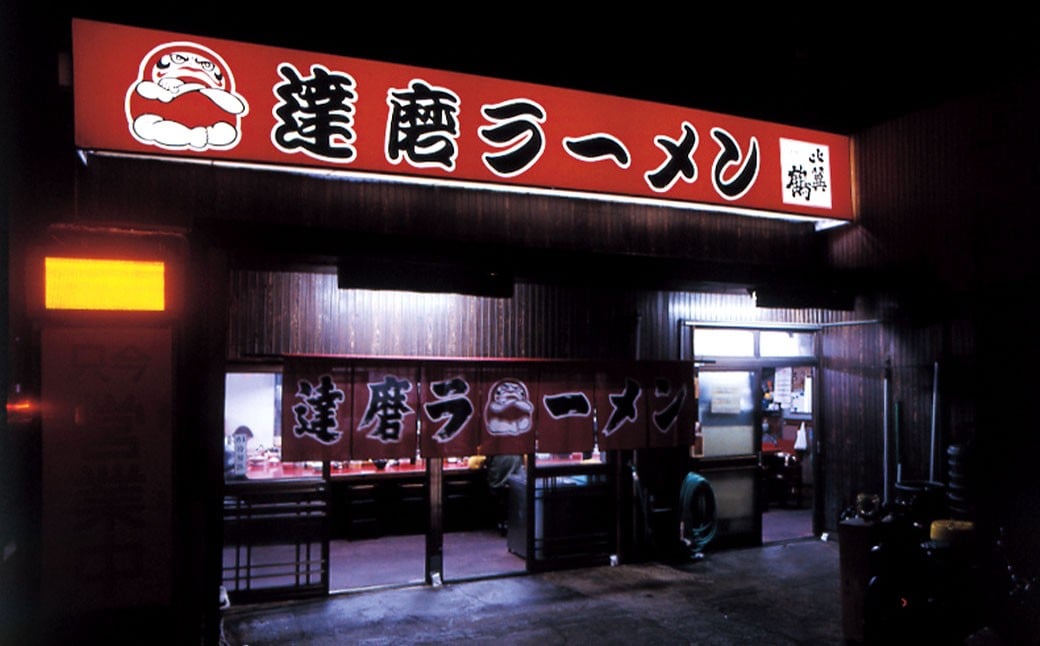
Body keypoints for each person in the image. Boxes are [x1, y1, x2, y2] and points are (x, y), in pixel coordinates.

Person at [485, 455, 523, 535]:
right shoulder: (517, 451)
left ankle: (497, 521)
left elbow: (487, 462)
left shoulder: (494, 451)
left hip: (498, 483)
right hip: (517, 484)